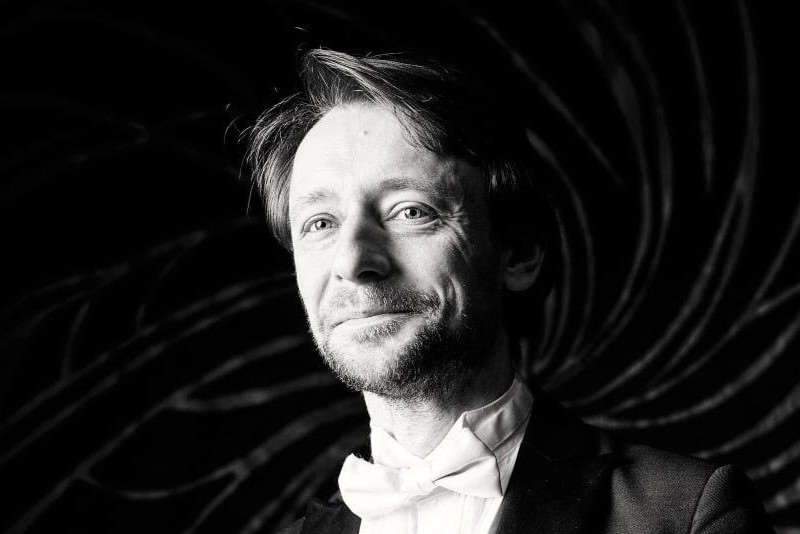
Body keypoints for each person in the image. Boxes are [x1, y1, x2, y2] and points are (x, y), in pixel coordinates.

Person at [246, 49, 774, 534]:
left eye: (410, 211)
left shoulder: (689, 516)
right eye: (319, 223)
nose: (352, 261)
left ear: (517, 254)